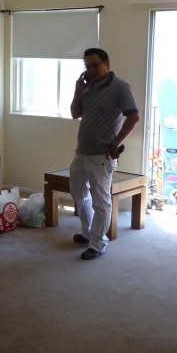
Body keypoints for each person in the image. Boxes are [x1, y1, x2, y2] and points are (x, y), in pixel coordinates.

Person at [69, 48, 140, 260]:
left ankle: (98, 243)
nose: (91, 70)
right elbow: (75, 114)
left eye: (95, 65)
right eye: (87, 66)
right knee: (78, 195)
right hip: (81, 151)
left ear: (107, 64)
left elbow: (133, 117)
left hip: (102, 155)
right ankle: (88, 232)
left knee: (101, 201)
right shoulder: (88, 87)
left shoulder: (120, 87)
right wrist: (78, 89)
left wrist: (116, 143)